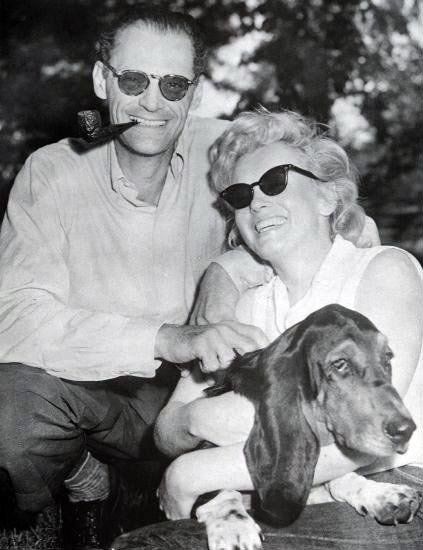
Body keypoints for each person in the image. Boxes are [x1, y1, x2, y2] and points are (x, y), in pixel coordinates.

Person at [0, 7, 273, 550]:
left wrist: (225, 272)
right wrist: (166, 337)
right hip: (85, 395)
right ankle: (85, 480)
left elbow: (325, 226)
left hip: (192, 396)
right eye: (134, 80)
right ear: (103, 80)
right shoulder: (53, 172)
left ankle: (157, 491)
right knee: (9, 418)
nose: (153, 102)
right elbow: (13, 320)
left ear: (194, 94)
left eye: (173, 85)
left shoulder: (229, 153)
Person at [150, 109, 423, 549]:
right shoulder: (246, 307)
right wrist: (198, 417)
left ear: (328, 197)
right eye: (240, 195)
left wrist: (192, 472)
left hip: (395, 481)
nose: (256, 203)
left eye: (275, 181)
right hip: (284, 490)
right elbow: (166, 430)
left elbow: (370, 438)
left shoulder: (382, 270)